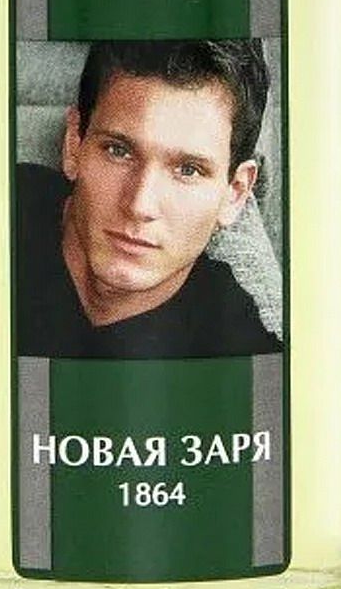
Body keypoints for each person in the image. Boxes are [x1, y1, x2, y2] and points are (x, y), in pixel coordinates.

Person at [16, 39, 281, 359]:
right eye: (118, 151)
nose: (139, 205)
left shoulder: (240, 353)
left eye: (188, 170)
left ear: (235, 193)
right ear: (74, 144)